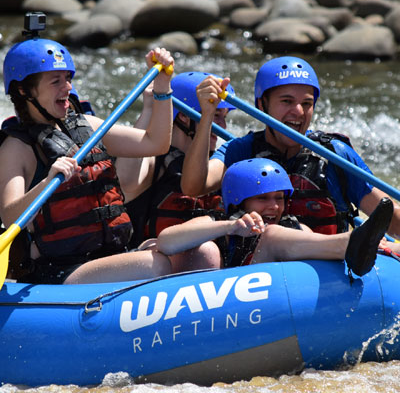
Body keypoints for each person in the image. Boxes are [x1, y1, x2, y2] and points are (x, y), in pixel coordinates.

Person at [0, 34, 175, 284]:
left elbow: (156, 143)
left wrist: (163, 86)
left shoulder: (88, 126)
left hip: (109, 255)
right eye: (55, 81)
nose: (68, 87)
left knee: (184, 249)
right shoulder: (16, 148)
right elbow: (9, 217)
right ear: (24, 90)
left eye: (68, 78)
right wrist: (45, 182)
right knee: (156, 265)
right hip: (61, 271)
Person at [180, 56, 400, 239]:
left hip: (328, 275)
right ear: (261, 105)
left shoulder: (334, 154)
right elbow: (193, 187)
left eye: (306, 104)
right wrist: (207, 116)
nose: (298, 112)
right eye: (286, 101)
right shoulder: (240, 150)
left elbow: (389, 216)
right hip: (261, 268)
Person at [158, 158, 394, 277]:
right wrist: (230, 227)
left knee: (276, 234)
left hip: (268, 305)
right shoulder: (220, 221)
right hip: (228, 306)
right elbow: (166, 241)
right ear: (239, 202)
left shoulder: (290, 227)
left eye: (279, 198)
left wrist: (379, 246)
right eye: (262, 198)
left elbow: (315, 253)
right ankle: (349, 242)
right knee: (270, 236)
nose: (273, 206)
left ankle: (354, 243)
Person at [116, 71, 235, 272]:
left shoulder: (218, 163)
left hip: (206, 268)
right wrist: (149, 110)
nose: (223, 126)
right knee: (205, 253)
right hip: (152, 266)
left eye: (224, 117)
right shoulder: (153, 162)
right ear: (183, 117)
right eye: (216, 115)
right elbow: (125, 182)